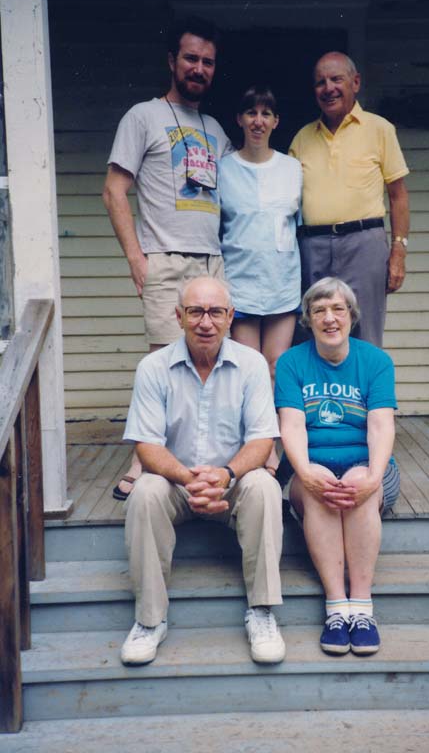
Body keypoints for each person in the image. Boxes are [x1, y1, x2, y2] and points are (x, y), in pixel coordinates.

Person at [120, 276, 285, 667]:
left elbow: (262, 441)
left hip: (233, 484)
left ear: (230, 317)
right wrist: (188, 478)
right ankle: (149, 620)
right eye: (195, 312)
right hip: (176, 484)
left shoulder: (252, 364)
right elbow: (146, 445)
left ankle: (261, 612)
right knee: (144, 491)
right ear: (179, 317)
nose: (205, 322)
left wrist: (226, 475)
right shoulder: (153, 367)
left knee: (264, 485)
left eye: (215, 312)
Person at [103, 15, 232, 499]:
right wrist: (137, 258)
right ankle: (143, 460)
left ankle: (203, 457)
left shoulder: (216, 129)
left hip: (212, 264)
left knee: (209, 362)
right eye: (191, 58)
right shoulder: (143, 116)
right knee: (162, 364)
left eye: (208, 61)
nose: (199, 67)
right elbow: (115, 191)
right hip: (166, 259)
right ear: (173, 62)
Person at [274, 277, 400, 656]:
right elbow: (292, 424)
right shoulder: (291, 362)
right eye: (319, 311)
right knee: (323, 486)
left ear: (351, 316)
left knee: (359, 480)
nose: (329, 318)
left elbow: (380, 424)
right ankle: (335, 607)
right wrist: (306, 472)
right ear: (307, 320)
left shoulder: (376, 361)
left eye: (337, 309)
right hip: (310, 468)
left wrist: (374, 477)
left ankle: (361, 607)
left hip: (369, 467)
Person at [289, 52, 410, 347]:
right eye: (320, 82)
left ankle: (366, 395)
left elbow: (398, 196)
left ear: (355, 83)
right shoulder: (302, 138)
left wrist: (398, 252)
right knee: (313, 329)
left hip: (364, 243)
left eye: (336, 79)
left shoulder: (379, 129)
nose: (328, 88)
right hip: (312, 247)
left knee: (365, 333)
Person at [220, 84, 302, 473]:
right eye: (251, 112)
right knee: (250, 368)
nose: (258, 120)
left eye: (266, 113)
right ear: (239, 119)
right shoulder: (223, 169)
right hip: (240, 282)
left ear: (276, 121)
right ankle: (260, 449)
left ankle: (278, 443)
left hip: (282, 281)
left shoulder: (292, 168)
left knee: (276, 366)